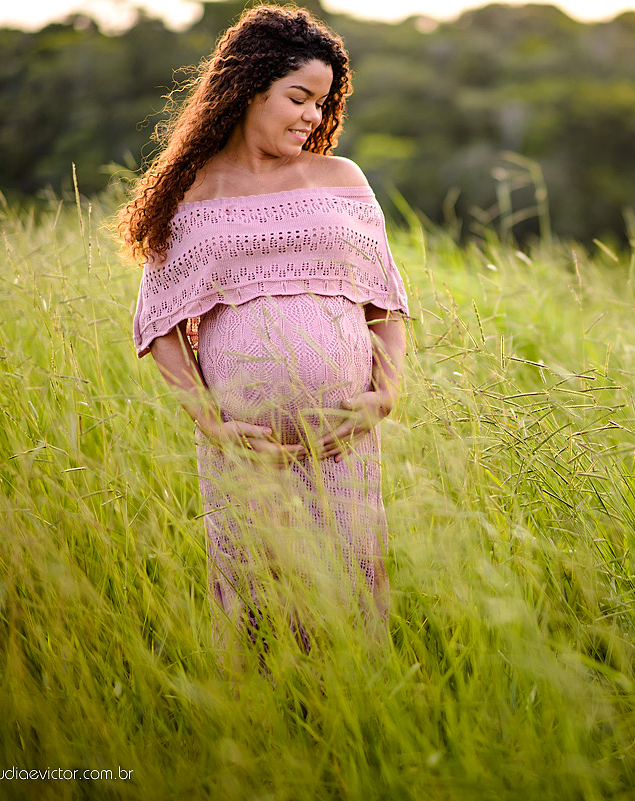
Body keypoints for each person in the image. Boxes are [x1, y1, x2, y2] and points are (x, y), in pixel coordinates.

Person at [120, 5, 408, 657]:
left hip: (341, 442)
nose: (312, 116)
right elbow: (161, 327)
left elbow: (385, 303)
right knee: (256, 606)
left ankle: (354, 712)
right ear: (250, 89)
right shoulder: (192, 193)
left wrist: (385, 395)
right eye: (298, 98)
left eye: (322, 103)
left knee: (349, 597)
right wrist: (213, 425)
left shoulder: (341, 181)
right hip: (244, 452)